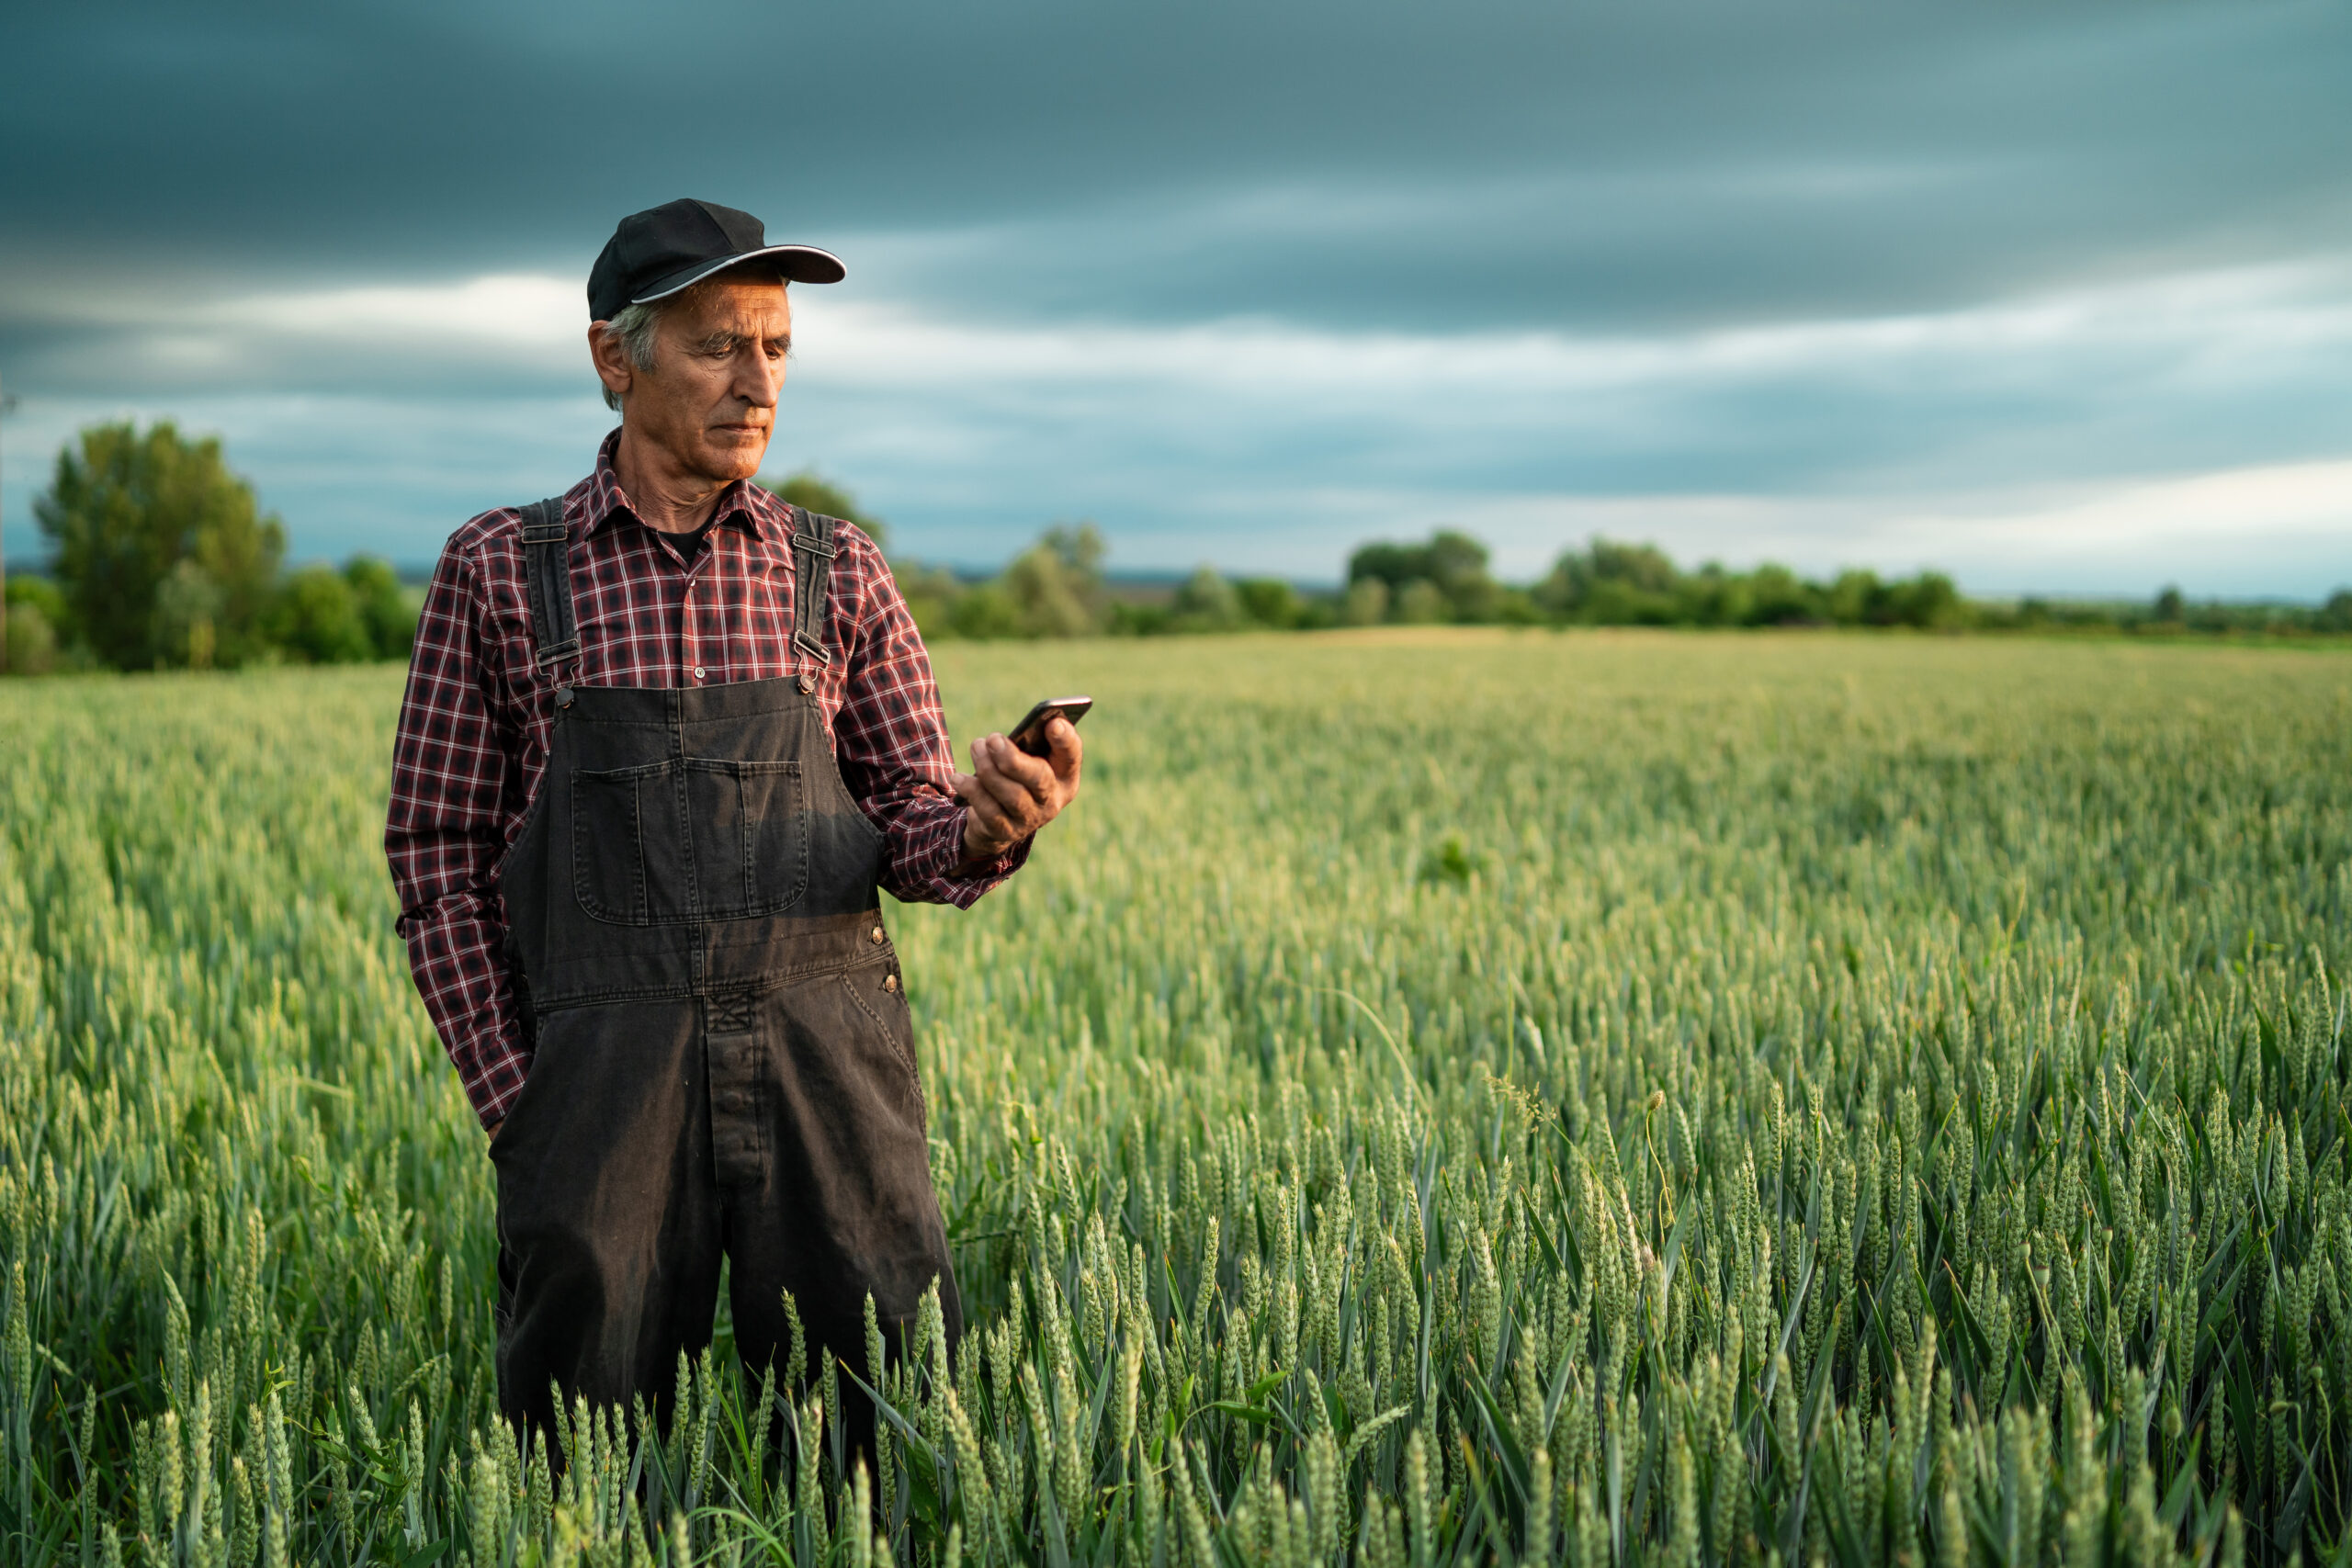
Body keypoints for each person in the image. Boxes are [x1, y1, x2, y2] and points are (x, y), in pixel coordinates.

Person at [383, 197, 1080, 1456]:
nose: (757, 382)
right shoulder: (499, 571)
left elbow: (908, 825)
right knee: (580, 1477)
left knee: (879, 1454)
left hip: (828, 1075)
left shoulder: (837, 568)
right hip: (602, 1095)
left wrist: (985, 828)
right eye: (718, 346)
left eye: (775, 349)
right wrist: (522, 1101)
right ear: (616, 359)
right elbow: (436, 857)